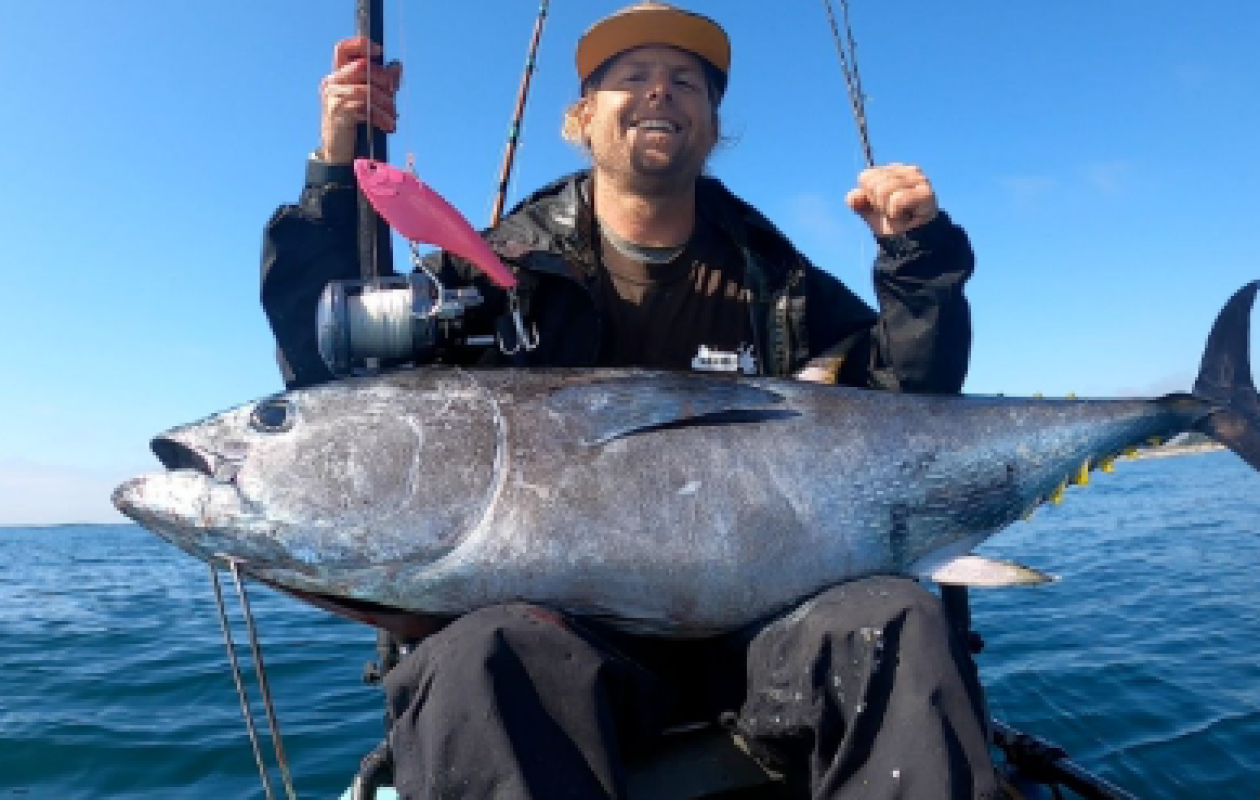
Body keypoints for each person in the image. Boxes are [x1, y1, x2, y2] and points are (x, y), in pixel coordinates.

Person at [261, 4, 1000, 798]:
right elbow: (337, 388)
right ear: (583, 116)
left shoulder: (780, 282)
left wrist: (918, 262)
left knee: (895, 622)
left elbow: (904, 415)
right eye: (632, 78)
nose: (661, 93)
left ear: (714, 124)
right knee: (480, 657)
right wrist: (337, 174)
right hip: (564, 640)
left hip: (771, 631)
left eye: (686, 82)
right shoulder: (485, 277)